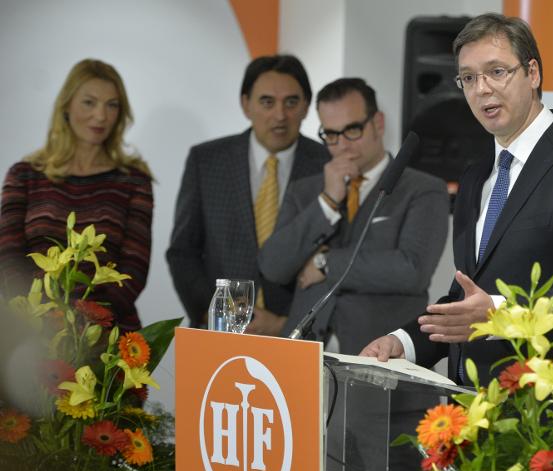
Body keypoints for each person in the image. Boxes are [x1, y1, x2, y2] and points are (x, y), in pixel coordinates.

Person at [361, 13, 553, 401]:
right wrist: (402, 342)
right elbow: (467, 299)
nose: (482, 89)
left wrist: (499, 314)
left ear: (533, 73)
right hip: (474, 408)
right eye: (468, 78)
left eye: (496, 72)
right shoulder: (476, 176)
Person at [259, 77, 449, 355]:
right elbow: (273, 266)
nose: (342, 145)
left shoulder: (423, 189)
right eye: (331, 134)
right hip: (302, 353)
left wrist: (325, 263)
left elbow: (412, 270)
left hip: (379, 355)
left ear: (378, 124)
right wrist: (327, 202)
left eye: (352, 130)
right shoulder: (306, 190)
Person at [166, 54, 329, 331]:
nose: (280, 115)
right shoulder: (207, 161)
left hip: (298, 331)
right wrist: (216, 316)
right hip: (218, 331)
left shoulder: (328, 165)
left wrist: (287, 325)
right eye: (267, 102)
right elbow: (183, 252)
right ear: (246, 104)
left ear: (306, 107)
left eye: (291, 102)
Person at [0, 59, 153, 332]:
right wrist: (43, 320)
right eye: (89, 102)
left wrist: (86, 323)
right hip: (33, 334)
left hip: (105, 334)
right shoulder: (24, 175)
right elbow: (8, 259)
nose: (101, 116)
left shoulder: (134, 180)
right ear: (66, 106)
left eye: (112, 105)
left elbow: (134, 269)